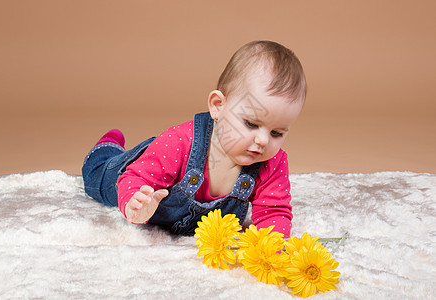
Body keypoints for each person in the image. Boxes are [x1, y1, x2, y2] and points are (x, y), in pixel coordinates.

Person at [82, 40, 307, 237]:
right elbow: (136, 176)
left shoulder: (272, 163)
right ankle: (107, 147)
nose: (263, 140)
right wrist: (136, 202)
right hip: (134, 171)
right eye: (251, 123)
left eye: (276, 133)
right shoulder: (180, 142)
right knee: (98, 177)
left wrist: (272, 248)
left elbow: (274, 212)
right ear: (218, 106)